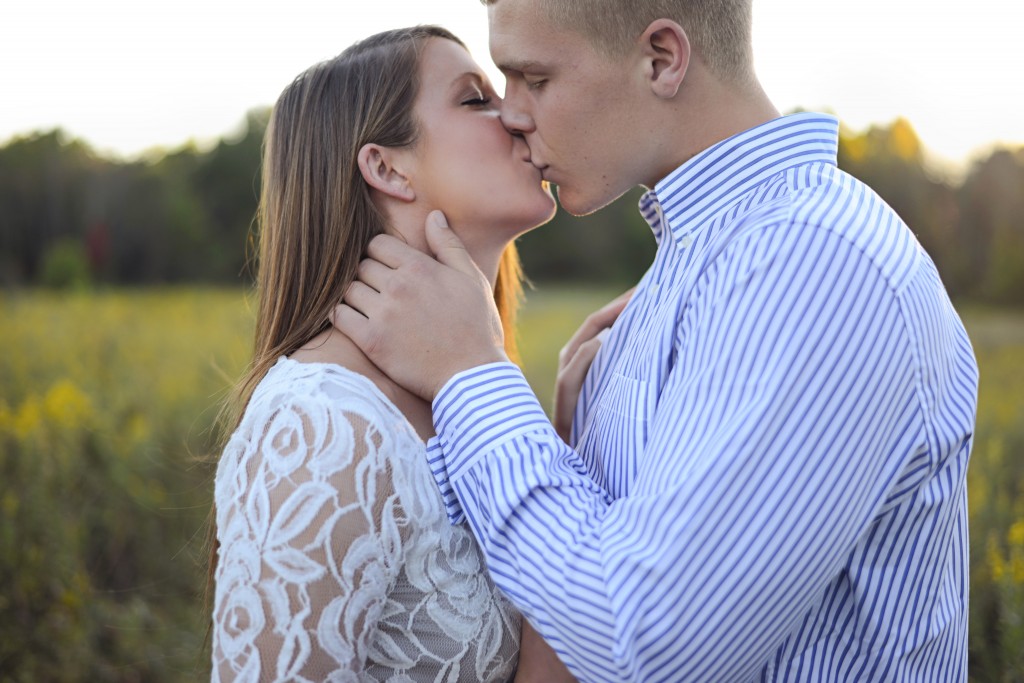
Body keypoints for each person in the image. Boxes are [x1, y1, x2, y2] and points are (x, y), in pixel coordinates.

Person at [333, 1, 981, 681]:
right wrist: (565, 441)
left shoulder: (815, 259)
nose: (512, 114)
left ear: (662, 60)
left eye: (535, 77)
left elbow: (653, 647)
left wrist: (474, 378)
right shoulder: (706, 266)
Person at [209, 25, 576, 682]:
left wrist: (573, 447)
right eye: (475, 99)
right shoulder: (322, 427)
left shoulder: (474, 389)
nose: (519, 115)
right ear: (387, 166)